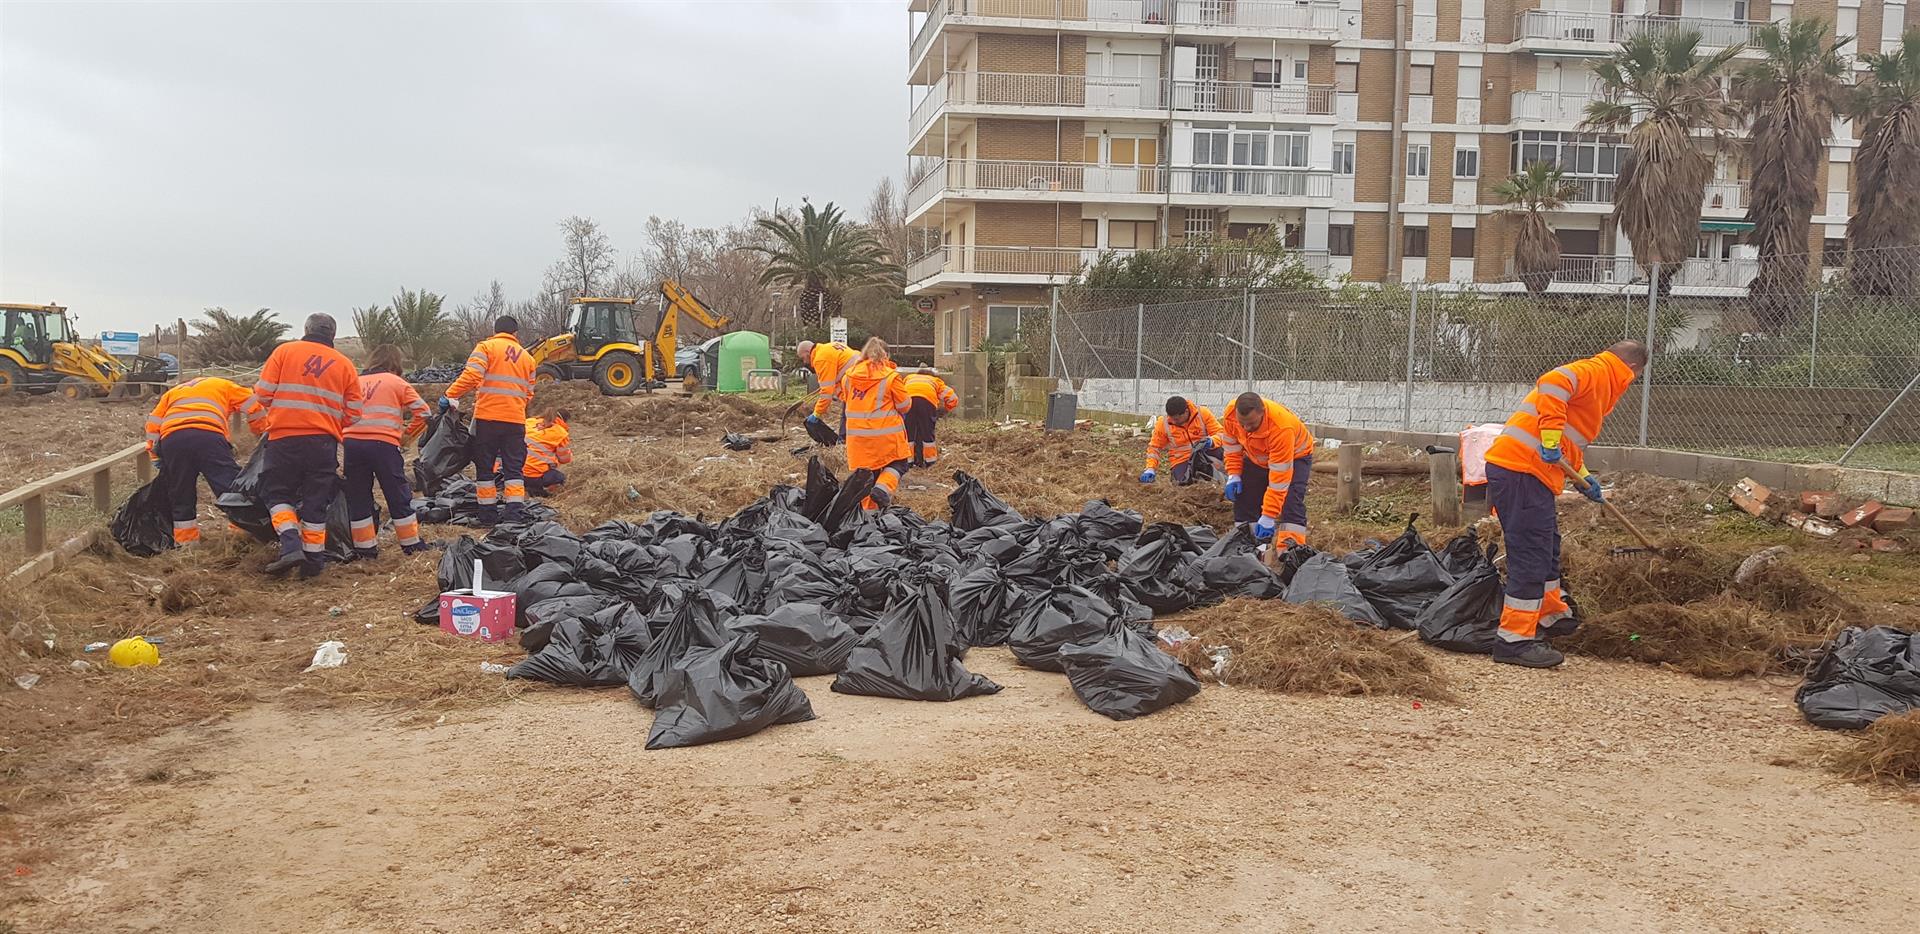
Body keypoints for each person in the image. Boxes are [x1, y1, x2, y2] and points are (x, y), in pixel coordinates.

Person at [1483, 339, 1647, 669]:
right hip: (1521, 470)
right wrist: (1549, 438)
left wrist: (1584, 480)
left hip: (1528, 472)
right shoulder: (1599, 372)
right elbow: (1554, 381)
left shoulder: (1600, 384)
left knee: (1547, 547)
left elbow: (1567, 448)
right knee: (1531, 551)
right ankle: (1514, 641)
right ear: (1632, 370)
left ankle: (1550, 615)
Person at [253, 313, 363, 578]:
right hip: (323, 443)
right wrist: (329, 420)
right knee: (316, 501)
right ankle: (313, 563)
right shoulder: (345, 364)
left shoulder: (284, 352)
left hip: (284, 438)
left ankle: (291, 546)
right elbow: (355, 414)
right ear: (333, 335)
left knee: (277, 493)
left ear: (306, 329)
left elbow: (262, 394)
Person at [144, 376, 265, 546]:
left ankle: (187, 544)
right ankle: (240, 534)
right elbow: (254, 405)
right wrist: (261, 433)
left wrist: (155, 455)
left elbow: (153, 423)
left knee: (180, 491)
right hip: (208, 435)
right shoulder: (223, 384)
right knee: (229, 486)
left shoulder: (173, 392)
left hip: (173, 439)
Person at [443, 316, 536, 525]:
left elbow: (472, 376)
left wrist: (450, 394)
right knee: (513, 469)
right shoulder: (528, 358)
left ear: (496, 331)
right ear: (515, 334)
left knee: (485, 467)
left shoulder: (486, 347)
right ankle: (514, 514)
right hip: (515, 420)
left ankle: (487, 515)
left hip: (487, 419)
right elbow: (529, 393)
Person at [342, 345, 431, 559]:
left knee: (358, 496)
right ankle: (411, 545)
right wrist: (407, 436)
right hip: (383, 445)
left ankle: (365, 549)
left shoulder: (354, 381)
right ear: (395, 363)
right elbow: (425, 413)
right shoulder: (396, 382)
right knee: (396, 493)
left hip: (352, 444)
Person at [1221, 391, 1315, 546]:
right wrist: (1234, 474)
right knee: (1245, 497)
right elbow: (1232, 447)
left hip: (1295, 456)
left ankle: (1290, 551)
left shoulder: (1281, 428)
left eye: (1251, 423)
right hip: (1257, 455)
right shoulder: (1231, 414)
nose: (1246, 427)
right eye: (1242, 423)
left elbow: (1278, 481)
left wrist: (1268, 516)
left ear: (1262, 413)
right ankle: (1246, 545)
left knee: (1291, 502)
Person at [834, 337, 913, 511]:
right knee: (899, 464)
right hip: (886, 437)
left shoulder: (848, 377)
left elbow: (846, 400)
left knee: (867, 477)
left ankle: (868, 517)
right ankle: (883, 489)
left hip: (858, 440)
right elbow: (905, 406)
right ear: (886, 355)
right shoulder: (891, 377)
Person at [1140, 396, 1224, 486]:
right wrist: (1150, 468)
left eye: (1176, 419)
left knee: (1224, 463)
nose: (1172, 421)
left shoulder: (1202, 414)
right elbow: (1154, 447)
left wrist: (1211, 441)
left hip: (1205, 452)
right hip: (1181, 460)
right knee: (1182, 485)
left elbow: (1221, 434)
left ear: (1186, 412)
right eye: (1170, 417)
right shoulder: (1163, 423)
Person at [796, 338, 857, 445]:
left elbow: (826, 393)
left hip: (857, 381)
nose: (804, 362)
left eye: (803, 358)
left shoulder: (820, 358)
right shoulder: (827, 348)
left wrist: (817, 413)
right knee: (848, 412)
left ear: (807, 353)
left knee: (850, 413)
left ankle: (844, 442)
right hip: (859, 376)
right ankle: (843, 440)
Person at [901, 368, 958, 467]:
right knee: (927, 433)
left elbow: (899, 391)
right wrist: (944, 410)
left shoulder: (909, 378)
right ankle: (930, 462)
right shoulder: (935, 381)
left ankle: (908, 462)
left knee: (908, 433)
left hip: (908, 401)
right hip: (927, 403)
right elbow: (953, 398)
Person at [519, 408, 574, 496]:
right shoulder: (560, 433)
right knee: (560, 478)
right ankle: (542, 492)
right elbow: (565, 459)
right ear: (564, 420)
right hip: (532, 476)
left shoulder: (529, 422)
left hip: (513, 471)